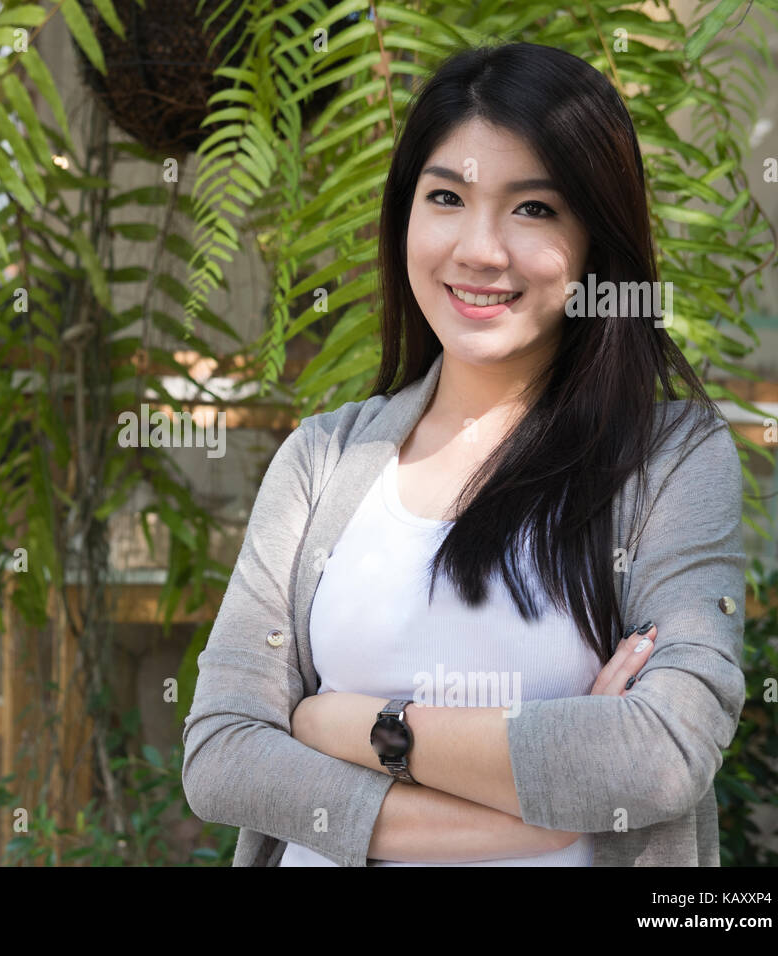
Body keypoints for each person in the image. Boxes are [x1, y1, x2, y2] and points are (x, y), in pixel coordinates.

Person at [181, 42, 748, 867]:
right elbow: (221, 755)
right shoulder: (322, 460)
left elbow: (658, 754)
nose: (480, 250)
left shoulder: (668, 462)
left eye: (534, 209)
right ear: (404, 214)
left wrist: (361, 727)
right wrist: (527, 816)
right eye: (446, 196)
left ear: (599, 239)